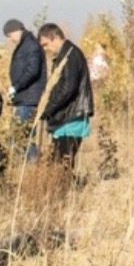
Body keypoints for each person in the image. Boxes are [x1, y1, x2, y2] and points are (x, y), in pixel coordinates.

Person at [37, 23, 93, 170]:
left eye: (45, 44)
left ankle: (65, 185)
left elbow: (67, 89)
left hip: (71, 118)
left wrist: (47, 109)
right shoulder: (65, 54)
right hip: (67, 117)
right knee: (59, 162)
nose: (44, 49)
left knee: (63, 163)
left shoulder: (70, 55)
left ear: (55, 37)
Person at [3, 19, 46, 163]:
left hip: (28, 98)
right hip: (24, 97)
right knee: (21, 135)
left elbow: (32, 71)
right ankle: (28, 165)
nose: (10, 40)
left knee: (21, 136)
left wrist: (16, 86)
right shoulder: (26, 44)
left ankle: (31, 165)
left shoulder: (30, 45)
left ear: (16, 30)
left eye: (9, 36)